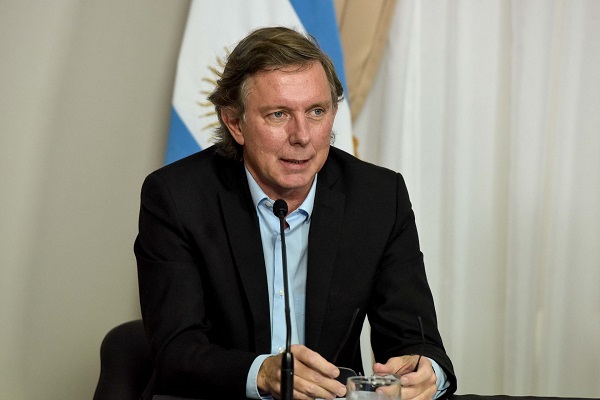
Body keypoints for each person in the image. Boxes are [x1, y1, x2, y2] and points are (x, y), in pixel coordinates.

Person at [135, 26, 457, 400]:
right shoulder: (178, 198)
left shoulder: (379, 198)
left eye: (316, 111)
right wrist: (262, 373)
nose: (302, 136)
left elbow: (415, 339)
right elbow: (176, 352)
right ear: (235, 123)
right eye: (278, 114)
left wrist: (427, 374)